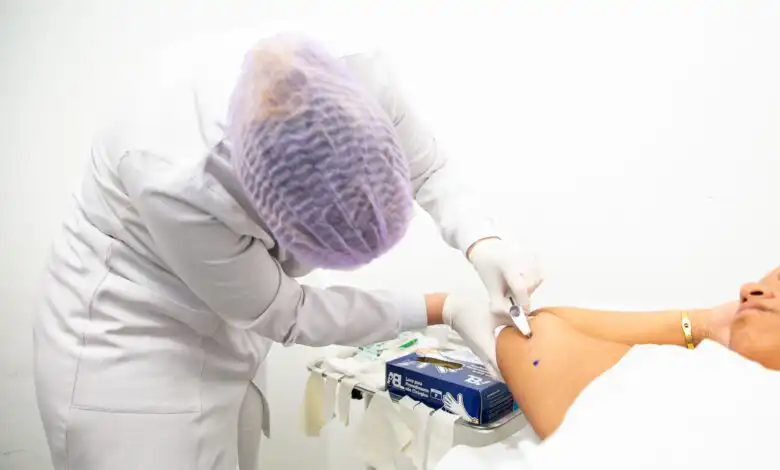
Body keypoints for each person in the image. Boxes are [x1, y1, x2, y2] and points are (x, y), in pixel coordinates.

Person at [32, 32, 540, 470]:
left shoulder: (358, 78)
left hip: (228, 316)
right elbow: (288, 311)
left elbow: (426, 167)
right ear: (266, 210)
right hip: (130, 342)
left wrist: (483, 242)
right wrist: (443, 307)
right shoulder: (175, 175)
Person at [440, 267, 780, 469]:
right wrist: (707, 323)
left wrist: (705, 321)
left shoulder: (734, 392)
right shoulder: (705, 375)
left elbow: (533, 336)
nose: (748, 290)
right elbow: (536, 330)